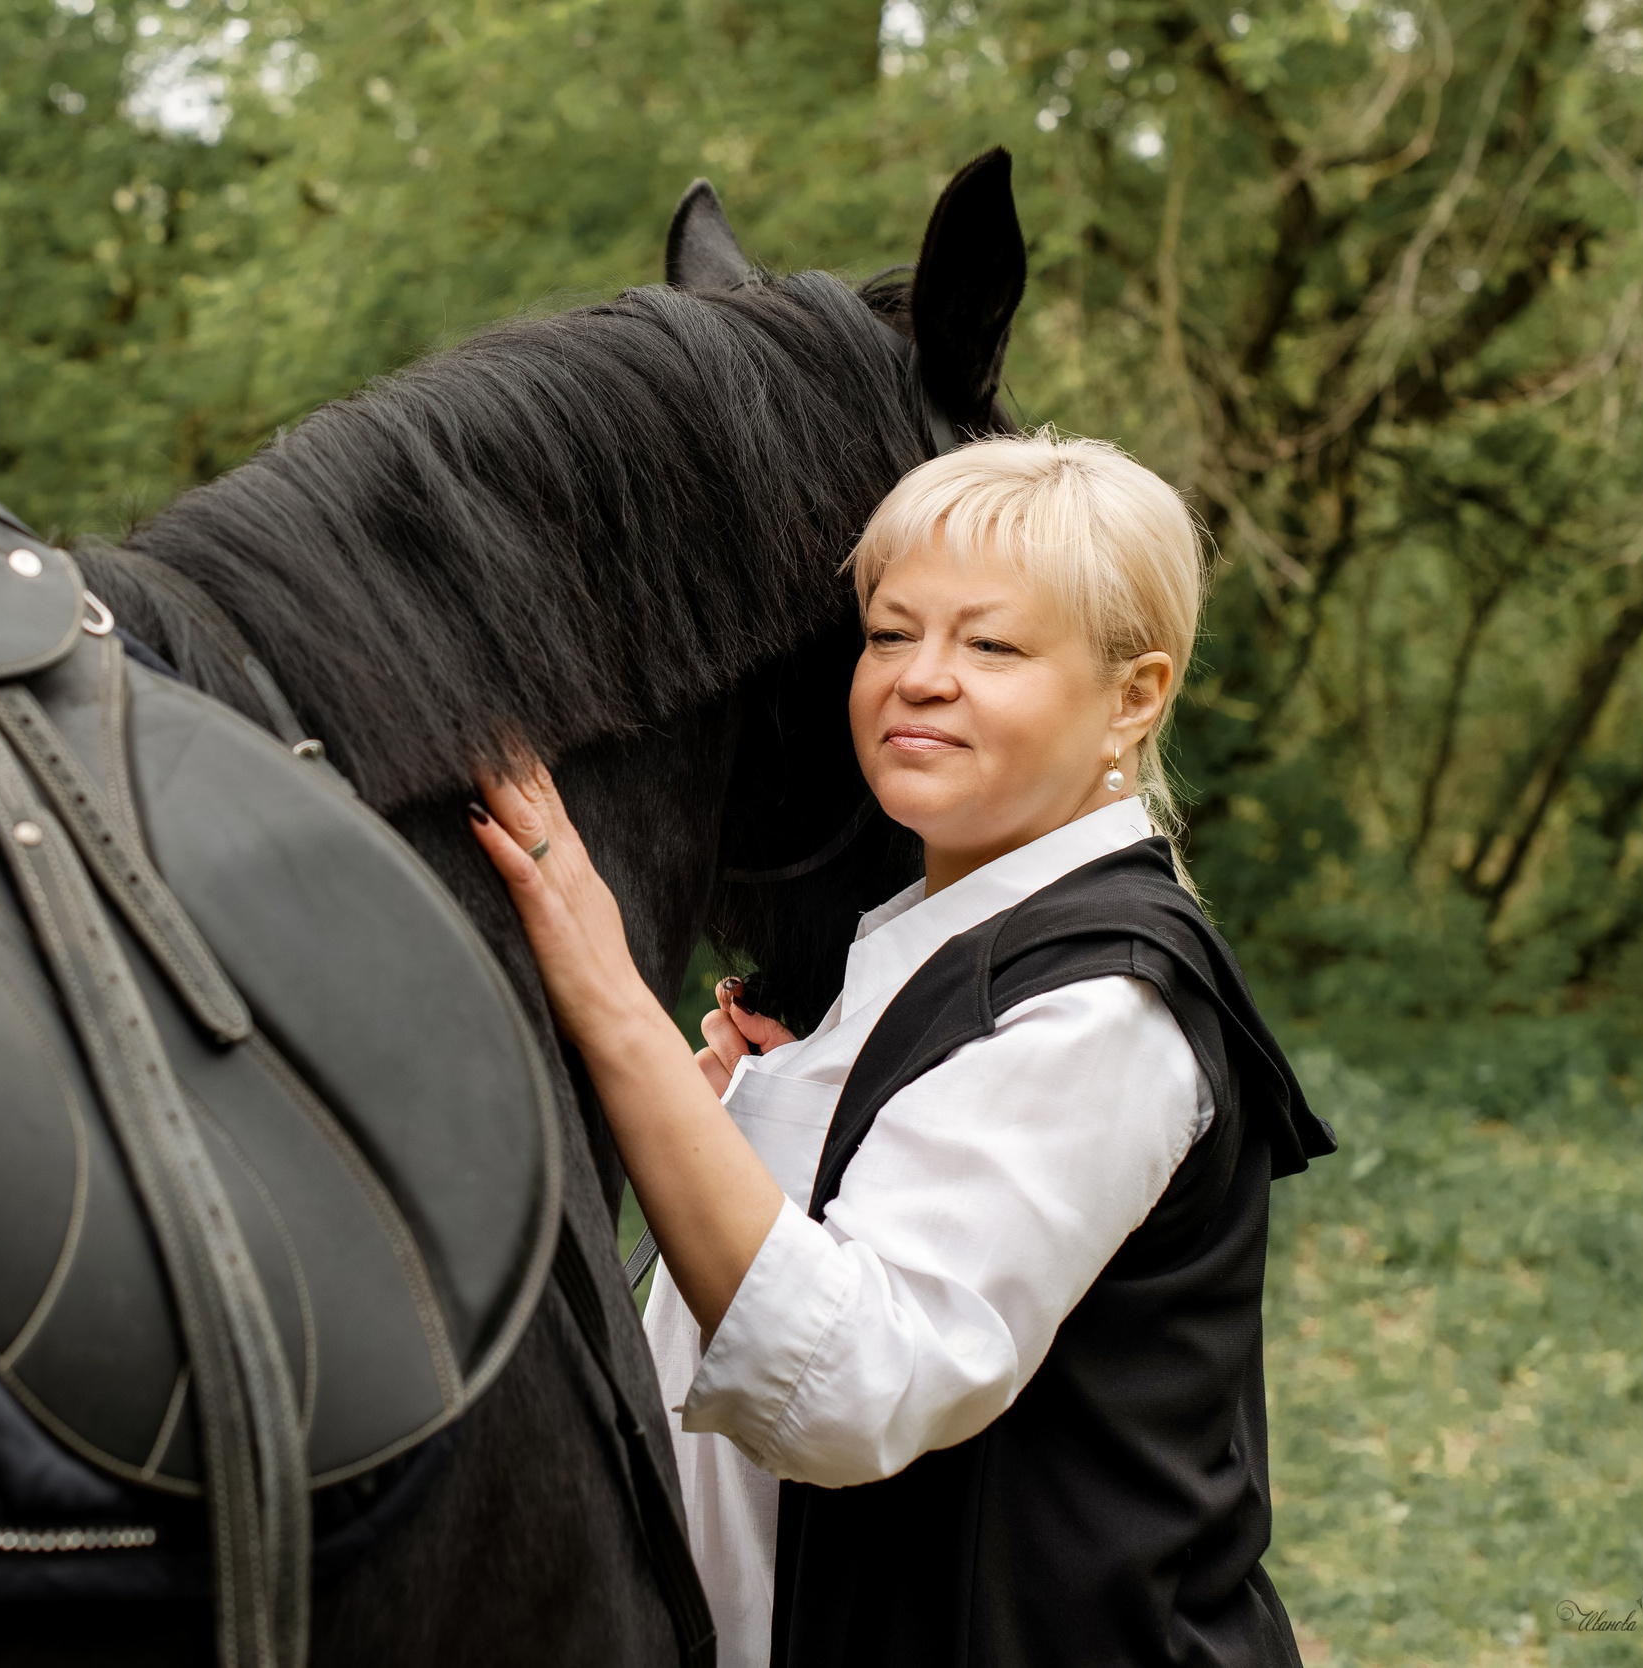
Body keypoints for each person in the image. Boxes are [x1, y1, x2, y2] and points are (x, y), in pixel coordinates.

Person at [467, 430, 1336, 1667]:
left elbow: (847, 1385)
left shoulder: (1103, 1009)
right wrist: (748, 1118)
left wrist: (612, 1001)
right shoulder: (924, 953)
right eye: (888, 634)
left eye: (989, 645)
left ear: (1133, 697)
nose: (918, 679)